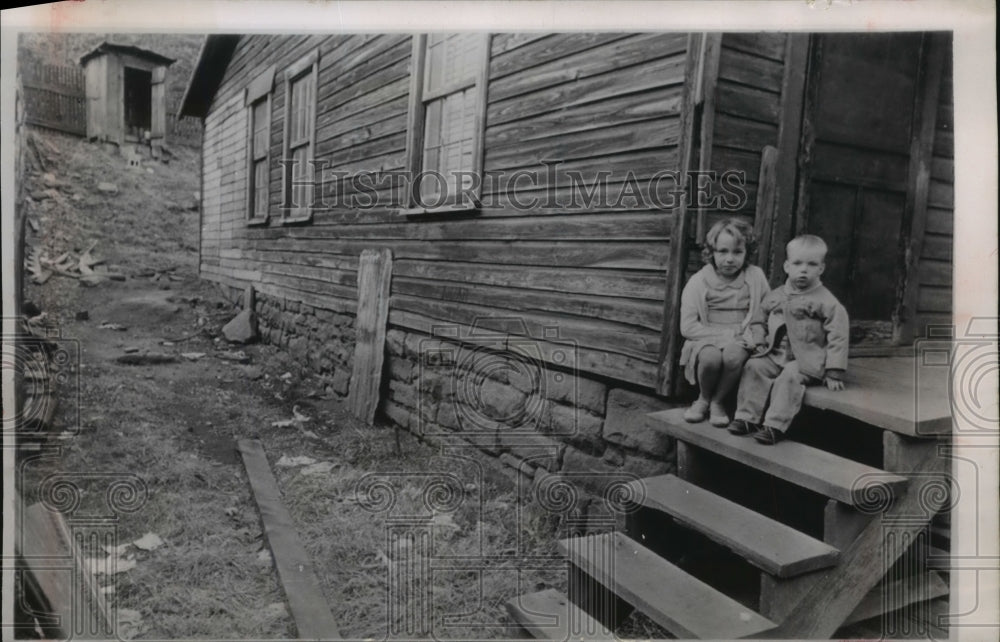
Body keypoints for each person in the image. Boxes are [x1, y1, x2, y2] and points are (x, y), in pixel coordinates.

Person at [728, 234, 849, 445]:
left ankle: (774, 425)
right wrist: (759, 340)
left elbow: (838, 335)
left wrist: (834, 371)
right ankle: (747, 417)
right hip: (775, 354)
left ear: (821, 269)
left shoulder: (826, 301)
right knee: (754, 367)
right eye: (797, 263)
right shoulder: (776, 295)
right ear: (786, 266)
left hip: (807, 360)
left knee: (790, 377)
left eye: (812, 264)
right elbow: (758, 320)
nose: (804, 270)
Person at [678, 218, 770, 427]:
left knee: (732, 357)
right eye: (722, 251)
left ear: (747, 253)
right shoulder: (699, 281)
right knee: (711, 359)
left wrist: (753, 336)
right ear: (711, 252)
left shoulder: (755, 277)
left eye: (737, 252)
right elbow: (688, 327)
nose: (729, 259)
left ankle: (718, 401)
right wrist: (725, 336)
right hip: (707, 335)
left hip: (743, 336)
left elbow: (765, 311)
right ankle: (703, 398)